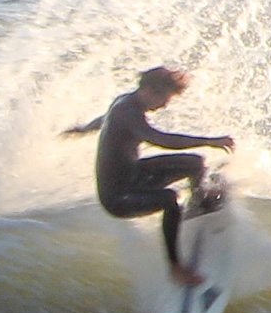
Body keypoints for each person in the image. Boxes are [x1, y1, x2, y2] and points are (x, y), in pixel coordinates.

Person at [62, 67, 234, 286]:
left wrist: (83, 129)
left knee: (194, 163)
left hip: (133, 175)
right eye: (165, 98)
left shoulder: (124, 102)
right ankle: (176, 268)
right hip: (119, 198)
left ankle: (198, 207)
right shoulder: (128, 111)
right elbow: (159, 139)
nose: (164, 105)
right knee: (170, 200)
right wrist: (210, 141)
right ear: (150, 90)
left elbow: (104, 119)